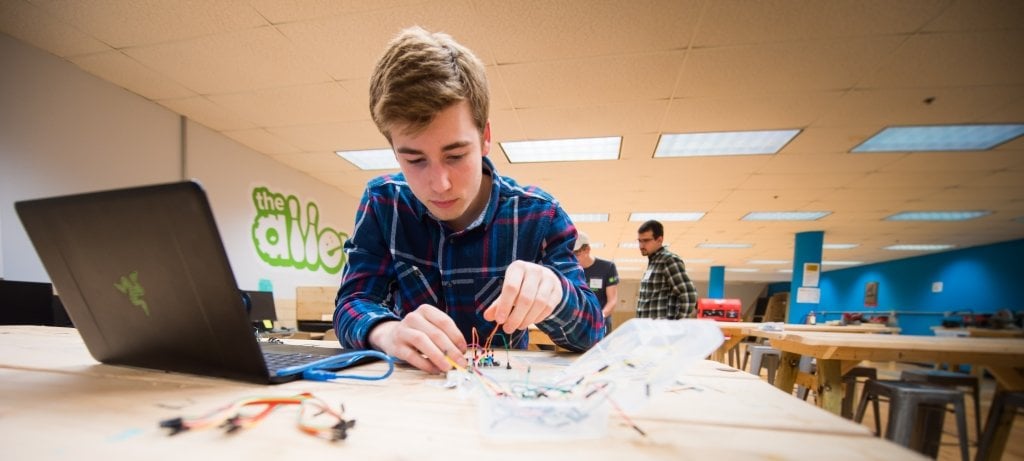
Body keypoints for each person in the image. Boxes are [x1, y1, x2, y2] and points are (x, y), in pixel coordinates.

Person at [333, 26, 604, 374]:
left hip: (501, 397)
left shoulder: (539, 215)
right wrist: (386, 331)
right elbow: (352, 303)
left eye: (456, 154)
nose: (440, 184)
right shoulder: (383, 202)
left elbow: (593, 331)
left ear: (485, 137)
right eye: (414, 160)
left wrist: (557, 295)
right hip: (412, 398)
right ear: (394, 151)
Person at [635, 220, 698, 319]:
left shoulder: (669, 260)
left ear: (659, 240)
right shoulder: (653, 263)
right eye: (639, 241)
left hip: (662, 331)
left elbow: (689, 295)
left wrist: (677, 325)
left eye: (646, 240)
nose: (641, 246)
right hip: (648, 330)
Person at [573, 232, 619, 334]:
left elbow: (612, 300)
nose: (572, 258)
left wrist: (599, 316)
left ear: (587, 249)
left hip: (600, 323)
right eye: (570, 254)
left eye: (576, 254)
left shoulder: (608, 267)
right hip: (577, 324)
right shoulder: (571, 270)